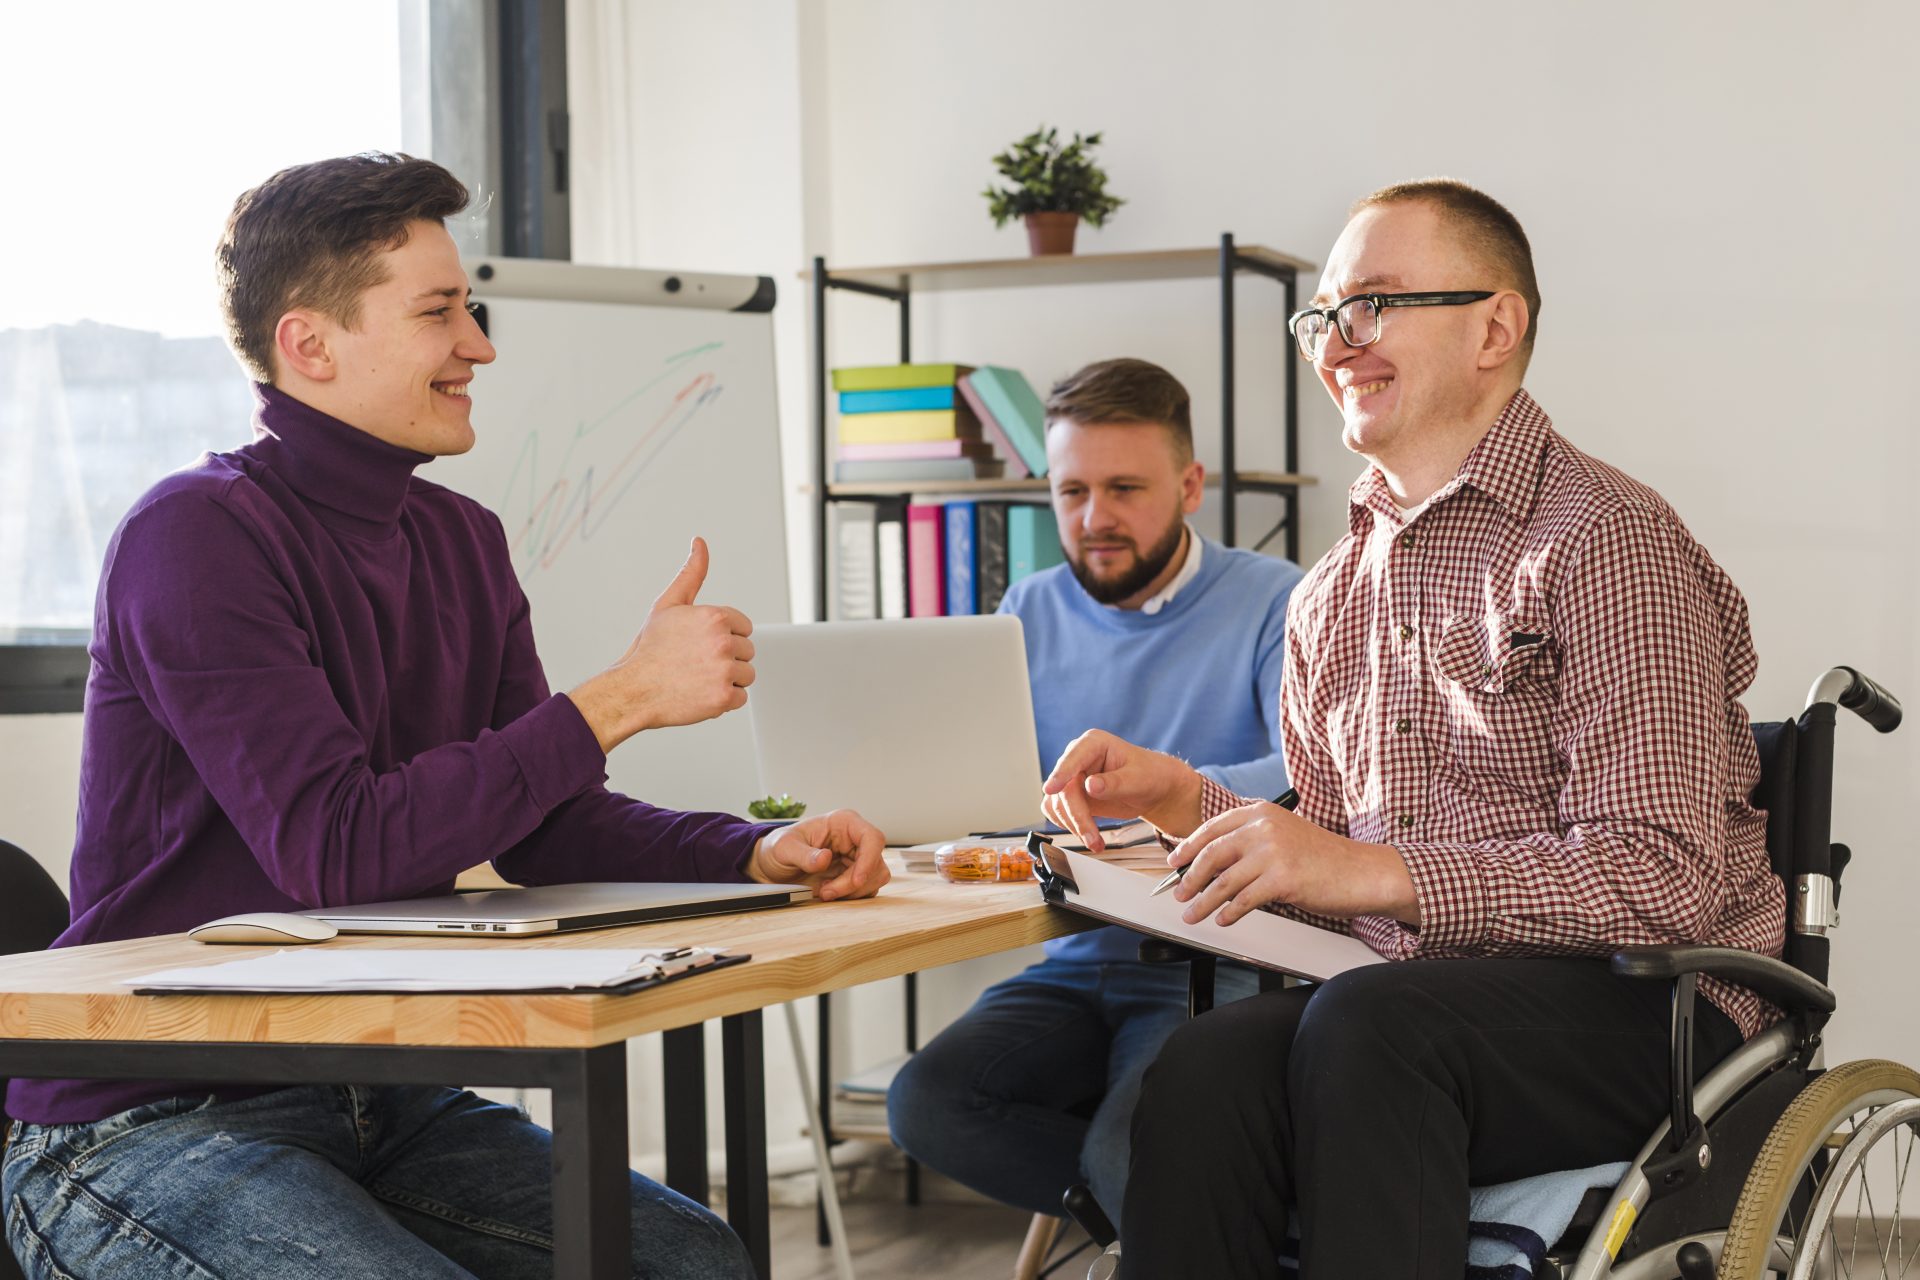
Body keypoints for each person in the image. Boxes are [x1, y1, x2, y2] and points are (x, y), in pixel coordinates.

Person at [1, 153, 889, 1280]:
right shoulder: (195, 536)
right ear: (309, 344)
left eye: (470, 306)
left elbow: (548, 826)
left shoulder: (461, 542)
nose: (480, 343)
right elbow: (337, 848)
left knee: (694, 1258)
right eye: (438, 312)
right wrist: (620, 695)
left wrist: (756, 848)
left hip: (384, 1096)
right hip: (152, 1116)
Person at [1041, 180, 1782, 1278]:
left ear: (1496, 325)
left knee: (1369, 1025)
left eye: (1376, 303)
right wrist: (1183, 800)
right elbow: (1329, 863)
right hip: (1414, 1004)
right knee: (1198, 1069)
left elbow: (1663, 875)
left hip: (1651, 1006)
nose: (1340, 342)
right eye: (1325, 315)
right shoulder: (1332, 593)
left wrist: (1372, 874)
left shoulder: (1607, 541)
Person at [887, 358, 1303, 1227]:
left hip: (1214, 963)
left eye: (1124, 488)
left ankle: (1159, 1211)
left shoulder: (1279, 601)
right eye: (1071, 490)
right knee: (926, 1102)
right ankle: (1154, 1221)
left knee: (1140, 1152)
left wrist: (1167, 790)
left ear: (1190, 485)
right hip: (1073, 953)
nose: (1094, 519)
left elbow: (1307, 778)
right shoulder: (1027, 608)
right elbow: (998, 791)